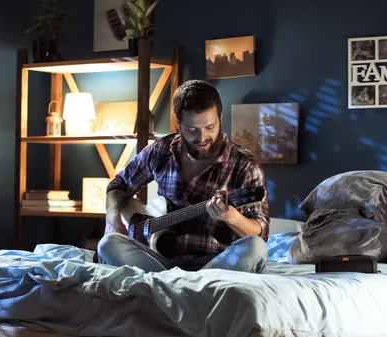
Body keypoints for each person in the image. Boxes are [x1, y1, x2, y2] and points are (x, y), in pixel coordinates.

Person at [97, 79, 270, 273]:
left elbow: (260, 231)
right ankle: (183, 289)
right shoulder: (160, 150)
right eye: (192, 129)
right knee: (108, 244)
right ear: (179, 124)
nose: (202, 137)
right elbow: (118, 185)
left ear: (220, 119)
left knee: (256, 248)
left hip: (214, 265)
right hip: (159, 262)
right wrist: (112, 218)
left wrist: (232, 218)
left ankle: (178, 287)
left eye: (210, 127)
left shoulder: (244, 164)